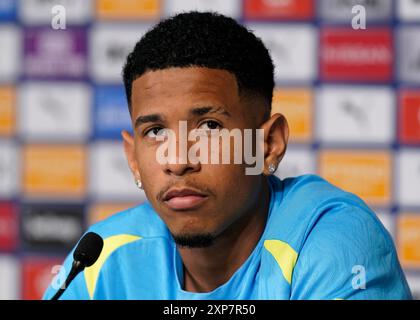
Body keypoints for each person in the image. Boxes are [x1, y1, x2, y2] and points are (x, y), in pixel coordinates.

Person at [43, 11, 411, 300]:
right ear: (133, 158)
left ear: (268, 145)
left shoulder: (333, 243)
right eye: (155, 132)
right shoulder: (100, 258)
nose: (177, 160)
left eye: (209, 127)